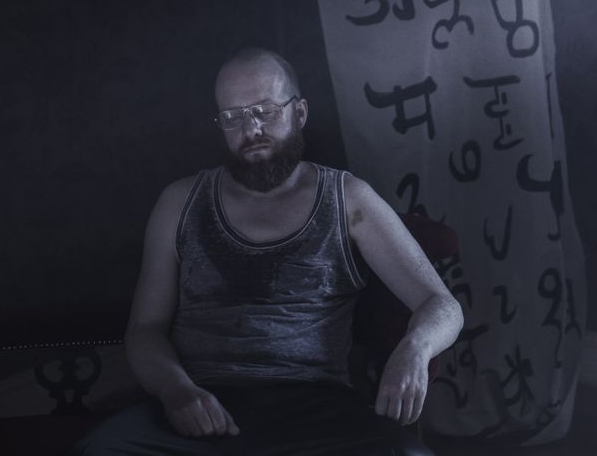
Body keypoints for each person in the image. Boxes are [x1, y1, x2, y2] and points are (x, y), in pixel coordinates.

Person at [72, 48, 463, 455]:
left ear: (300, 112)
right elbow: (144, 328)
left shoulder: (348, 199)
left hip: (316, 410)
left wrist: (414, 349)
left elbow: (443, 305)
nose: (251, 128)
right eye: (233, 116)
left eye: (265, 110)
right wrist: (176, 391)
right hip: (201, 404)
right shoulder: (179, 202)